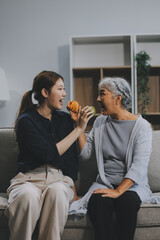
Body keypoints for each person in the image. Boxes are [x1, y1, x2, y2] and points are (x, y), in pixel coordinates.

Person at [5, 70, 94, 240]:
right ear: (45, 93)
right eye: (60, 89)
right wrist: (79, 129)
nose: (65, 94)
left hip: (58, 178)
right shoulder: (26, 121)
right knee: (28, 197)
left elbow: (70, 158)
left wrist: (73, 190)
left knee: (59, 191)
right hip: (28, 179)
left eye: (64, 89)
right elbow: (48, 153)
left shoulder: (66, 119)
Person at [69, 77, 153, 240]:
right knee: (97, 202)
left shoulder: (142, 127)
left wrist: (118, 191)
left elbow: (139, 166)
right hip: (104, 183)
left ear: (118, 98)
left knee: (127, 202)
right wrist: (80, 126)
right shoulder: (100, 122)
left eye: (102, 94)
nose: (97, 99)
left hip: (132, 186)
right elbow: (86, 155)